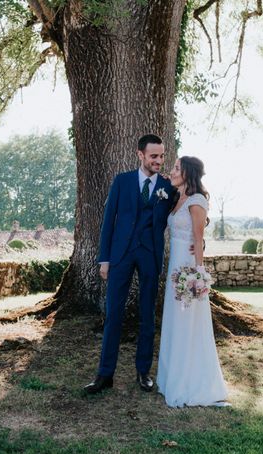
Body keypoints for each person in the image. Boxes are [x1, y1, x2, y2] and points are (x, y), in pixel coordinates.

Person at [84, 134, 175, 394]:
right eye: (153, 156)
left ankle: (143, 372)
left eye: (161, 156)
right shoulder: (122, 182)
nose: (158, 161)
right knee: (113, 314)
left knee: (147, 315)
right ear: (140, 155)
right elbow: (108, 221)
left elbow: (185, 209)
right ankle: (105, 374)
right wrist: (105, 259)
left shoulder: (167, 188)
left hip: (150, 255)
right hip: (120, 255)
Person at [156, 156, 229, 407]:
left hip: (187, 269)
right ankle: (170, 378)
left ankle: (191, 382)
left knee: (188, 323)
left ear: (187, 173)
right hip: (174, 266)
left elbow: (198, 240)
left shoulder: (197, 201)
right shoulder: (178, 198)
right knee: (175, 321)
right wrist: (166, 179)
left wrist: (198, 276)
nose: (172, 171)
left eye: (176, 168)